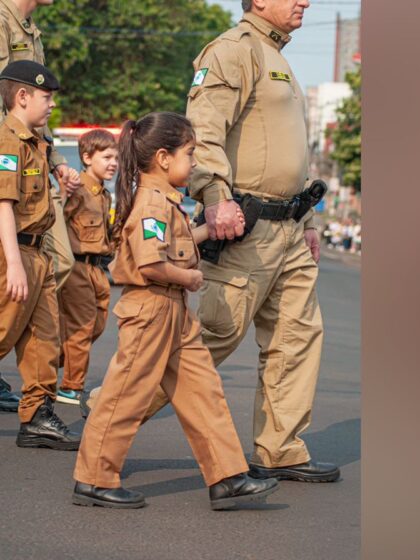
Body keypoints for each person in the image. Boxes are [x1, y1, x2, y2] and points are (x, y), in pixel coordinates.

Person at [85, 0, 339, 483]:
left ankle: (281, 449)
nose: (305, 1)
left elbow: (286, 153)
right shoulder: (231, 51)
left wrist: (308, 221)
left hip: (289, 228)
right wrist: (216, 196)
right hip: (245, 224)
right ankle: (107, 411)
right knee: (211, 338)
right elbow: (202, 133)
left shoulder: (278, 57)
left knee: (296, 338)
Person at [72, 112, 280, 510]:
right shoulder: (151, 203)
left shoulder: (166, 201)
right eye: (190, 153)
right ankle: (94, 478)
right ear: (164, 158)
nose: (195, 161)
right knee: (125, 396)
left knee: (203, 391)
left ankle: (227, 476)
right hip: (151, 308)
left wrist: (215, 229)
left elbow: (174, 247)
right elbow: (151, 265)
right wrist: (191, 280)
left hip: (173, 311)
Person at [0, 0, 81, 412]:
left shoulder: (31, 31)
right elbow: (14, 99)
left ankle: (37, 412)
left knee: (52, 274)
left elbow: (38, 107)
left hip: (33, 156)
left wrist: (56, 161)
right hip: (9, 162)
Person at [56, 129, 116, 406]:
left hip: (98, 270)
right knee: (81, 327)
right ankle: (71, 386)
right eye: (107, 157)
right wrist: (63, 192)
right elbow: (56, 218)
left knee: (97, 325)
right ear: (87, 157)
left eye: (116, 157)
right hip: (77, 267)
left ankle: (52, 356)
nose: (113, 163)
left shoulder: (104, 195)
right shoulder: (77, 190)